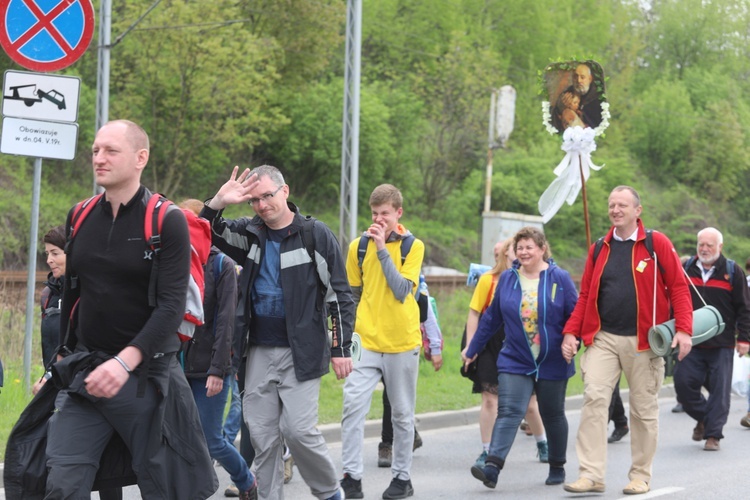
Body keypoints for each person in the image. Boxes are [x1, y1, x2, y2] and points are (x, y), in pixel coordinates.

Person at [45, 119, 217, 499]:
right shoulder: (80, 215)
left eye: (110, 151)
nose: (99, 159)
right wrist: (59, 360)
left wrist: (123, 363)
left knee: (167, 489)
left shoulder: (166, 220)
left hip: (146, 378)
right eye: (94, 151)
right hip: (87, 373)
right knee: (61, 483)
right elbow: (73, 295)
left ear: (141, 158)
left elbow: (172, 307)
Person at [200, 164, 354, 500]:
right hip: (256, 351)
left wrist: (341, 349)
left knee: (297, 431)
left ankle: (329, 492)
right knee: (263, 437)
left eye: (267, 196)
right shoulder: (250, 233)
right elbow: (205, 231)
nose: (260, 205)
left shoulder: (315, 235)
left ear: (285, 191)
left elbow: (339, 295)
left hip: (302, 351)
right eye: (254, 200)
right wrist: (219, 201)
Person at [561, 185, 693, 496]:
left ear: (638, 211)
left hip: (644, 341)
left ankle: (640, 476)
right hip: (604, 337)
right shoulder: (599, 248)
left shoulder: (655, 243)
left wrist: (684, 330)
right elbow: (585, 296)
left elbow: (678, 287)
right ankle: (591, 475)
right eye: (611, 205)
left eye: (622, 205)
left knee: (642, 409)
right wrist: (571, 331)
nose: (616, 210)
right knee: (594, 399)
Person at [463, 227, 578, 490]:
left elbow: (576, 314)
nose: (524, 252)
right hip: (515, 357)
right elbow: (491, 318)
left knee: (552, 414)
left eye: (529, 247)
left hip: (552, 359)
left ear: (541, 249)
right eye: (520, 248)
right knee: (509, 411)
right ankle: (492, 467)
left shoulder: (559, 278)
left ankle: (557, 465)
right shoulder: (508, 279)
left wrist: (574, 339)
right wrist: (472, 349)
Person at [340, 184, 425, 500]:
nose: (378, 219)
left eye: (385, 214)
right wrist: (345, 338)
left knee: (402, 415)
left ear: (398, 213)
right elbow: (351, 295)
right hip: (365, 340)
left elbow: (402, 290)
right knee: (352, 406)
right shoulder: (356, 247)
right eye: (374, 214)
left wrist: (381, 249)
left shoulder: (413, 247)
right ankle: (351, 478)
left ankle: (402, 478)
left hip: (402, 341)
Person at [178, 199, 258, 497]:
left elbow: (227, 323)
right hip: (177, 367)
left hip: (210, 368)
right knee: (179, 435)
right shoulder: (173, 261)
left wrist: (218, 370)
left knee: (212, 440)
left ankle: (246, 481)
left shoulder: (222, 265)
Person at [462, 238, 549, 469]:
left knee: (529, 404)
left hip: (519, 342)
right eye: (514, 252)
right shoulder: (488, 280)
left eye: (523, 251)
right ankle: (487, 452)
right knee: (490, 399)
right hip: (490, 342)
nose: (519, 256)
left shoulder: (531, 278)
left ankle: (542, 443)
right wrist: (471, 346)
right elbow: (475, 314)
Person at [674, 227, 750, 451]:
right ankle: (706, 419)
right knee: (683, 385)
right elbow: (675, 300)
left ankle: (713, 436)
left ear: (720, 247)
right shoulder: (686, 268)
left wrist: (744, 338)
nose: (704, 249)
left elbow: (744, 308)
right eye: (701, 245)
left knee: (719, 390)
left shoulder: (732, 271)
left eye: (709, 245)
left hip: (722, 343)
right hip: (691, 340)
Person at [378, 276, 441, 468]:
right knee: (392, 394)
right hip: (374, 339)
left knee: (392, 394)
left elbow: (426, 311)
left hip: (403, 344)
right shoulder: (369, 261)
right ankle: (409, 434)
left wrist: (435, 347)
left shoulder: (412, 271)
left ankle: (387, 444)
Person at [40, 225, 66, 368]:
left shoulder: (88, 292)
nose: (49, 260)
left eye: (55, 253)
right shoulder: (47, 294)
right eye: (47, 254)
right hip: (54, 381)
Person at [553, 63, 602, 132]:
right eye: (576, 76)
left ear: (590, 79)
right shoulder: (567, 93)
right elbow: (555, 117)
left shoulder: (597, 98)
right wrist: (562, 108)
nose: (579, 81)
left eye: (582, 77)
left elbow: (596, 124)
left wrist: (576, 112)